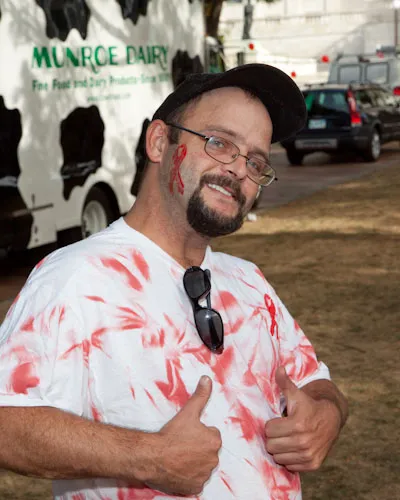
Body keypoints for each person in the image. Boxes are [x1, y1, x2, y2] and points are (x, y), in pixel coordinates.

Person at [0, 64, 348, 499]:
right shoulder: (75, 280)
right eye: (220, 143)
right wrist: (148, 458)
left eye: (256, 161)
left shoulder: (249, 283)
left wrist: (326, 417)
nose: (240, 170)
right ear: (159, 142)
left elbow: (317, 383)